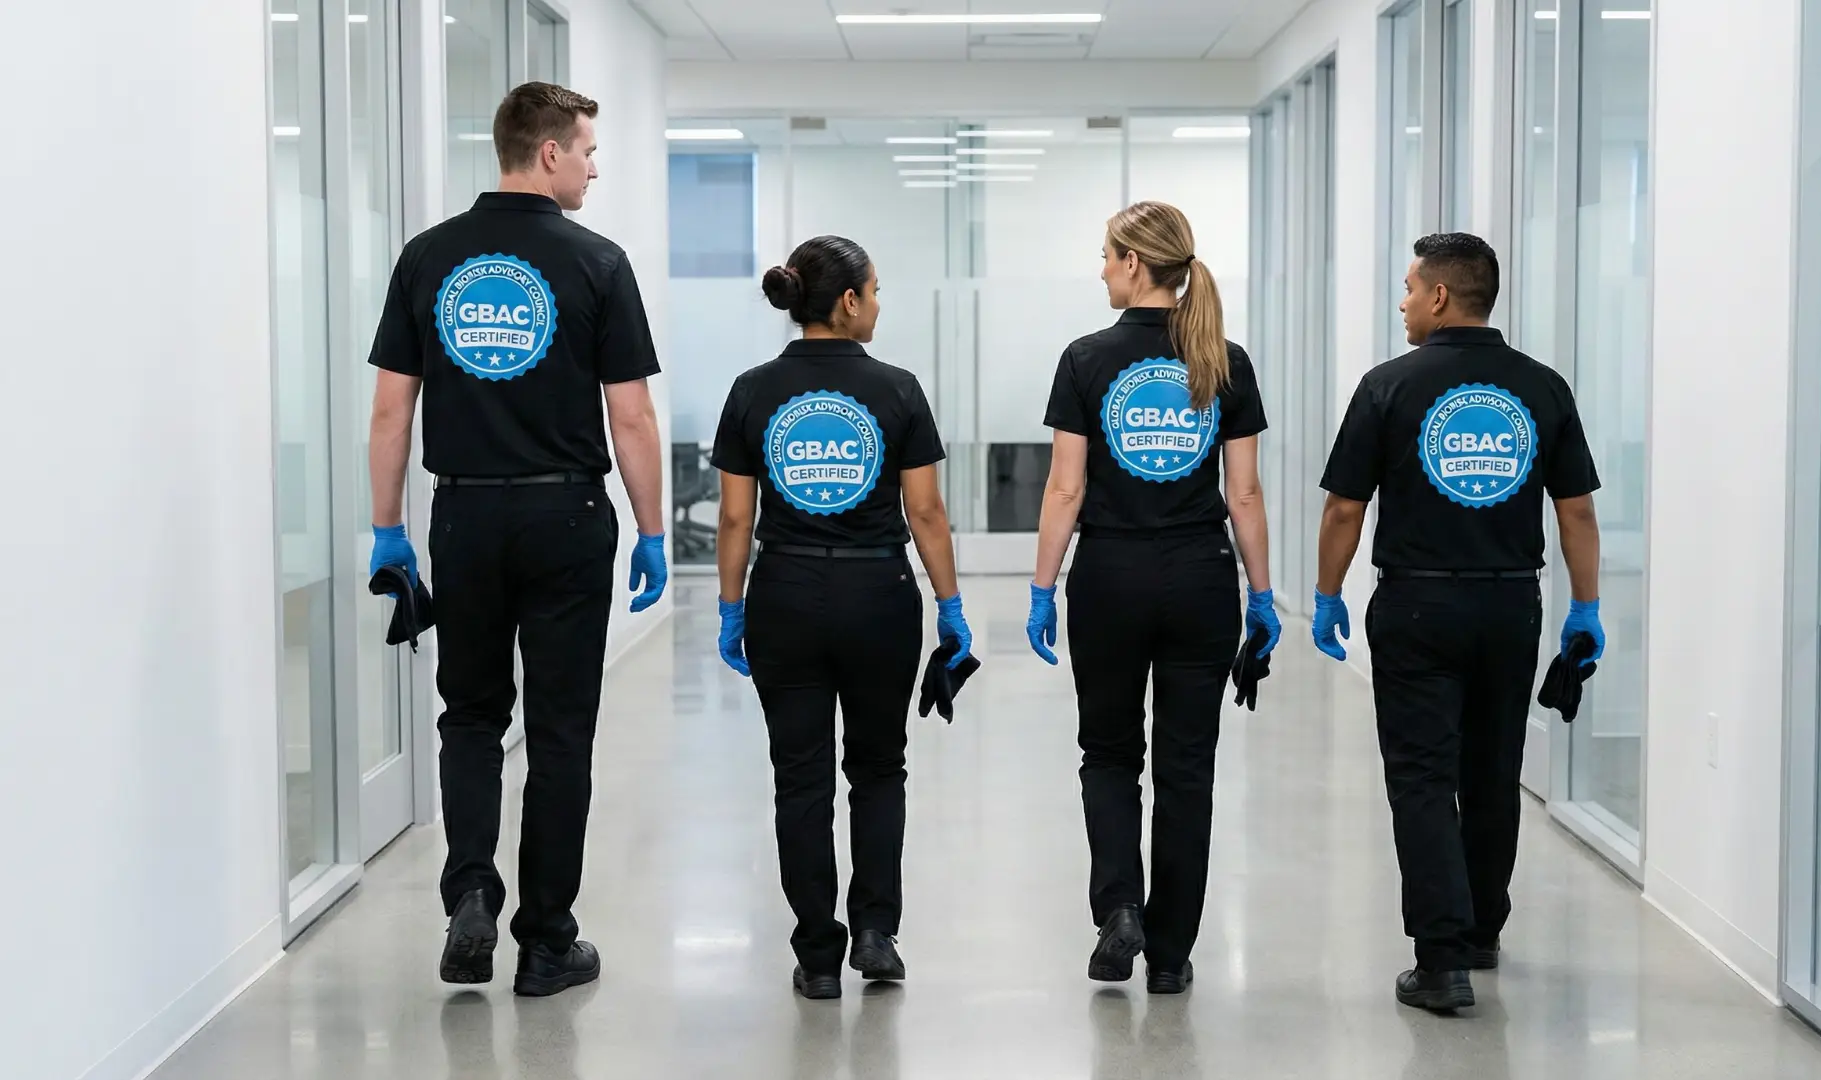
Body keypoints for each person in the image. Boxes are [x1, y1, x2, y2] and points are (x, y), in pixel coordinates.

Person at [365, 82, 667, 998]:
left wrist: (388, 530)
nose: (593, 167)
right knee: (563, 730)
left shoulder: (427, 258)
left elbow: (389, 410)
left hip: (463, 514)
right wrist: (653, 530)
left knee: (470, 715)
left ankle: (469, 894)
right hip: (567, 516)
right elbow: (635, 419)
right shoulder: (597, 263)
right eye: (585, 151)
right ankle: (545, 943)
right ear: (546, 154)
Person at [1312, 232, 1604, 1012]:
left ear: (1440, 296)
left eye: (1409, 288)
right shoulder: (1542, 387)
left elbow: (1345, 506)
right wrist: (1586, 606)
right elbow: (1575, 509)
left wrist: (1327, 592)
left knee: (1421, 777)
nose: (1402, 301)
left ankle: (1441, 962)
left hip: (1416, 604)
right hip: (1512, 605)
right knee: (1491, 773)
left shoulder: (1388, 386)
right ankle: (1479, 931)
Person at [709, 235, 972, 1002]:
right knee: (878, 768)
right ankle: (876, 932)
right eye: (877, 291)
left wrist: (732, 610)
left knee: (800, 779)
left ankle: (818, 955)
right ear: (849, 301)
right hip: (878, 597)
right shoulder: (897, 389)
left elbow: (733, 519)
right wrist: (951, 607)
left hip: (784, 596)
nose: (880, 305)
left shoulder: (752, 389)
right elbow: (924, 511)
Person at [1028, 201, 1278, 996]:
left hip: (1110, 577)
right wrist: (1264, 596)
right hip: (1201, 578)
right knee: (1187, 768)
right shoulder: (1223, 359)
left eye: (1107, 254)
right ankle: (1170, 955)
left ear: (1136, 262)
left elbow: (1065, 489)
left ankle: (1118, 910)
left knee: (1107, 754)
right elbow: (1243, 495)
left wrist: (1040, 588)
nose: (1101, 267)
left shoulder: (1085, 358)